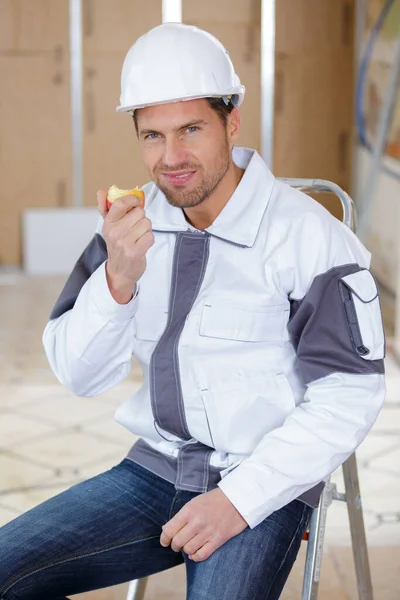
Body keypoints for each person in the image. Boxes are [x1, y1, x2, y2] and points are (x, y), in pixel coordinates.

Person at [0, 23, 385, 600]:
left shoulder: (307, 238)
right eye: (152, 136)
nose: (171, 157)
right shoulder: (130, 230)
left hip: (262, 483)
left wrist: (237, 501)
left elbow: (348, 393)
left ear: (231, 121)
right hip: (155, 472)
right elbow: (79, 376)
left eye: (190, 130)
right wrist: (118, 280)